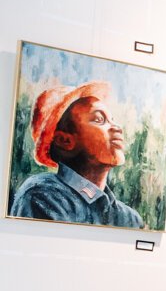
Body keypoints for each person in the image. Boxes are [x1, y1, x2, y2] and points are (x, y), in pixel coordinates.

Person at [9, 81, 144, 228]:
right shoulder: (42, 196)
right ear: (64, 140)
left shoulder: (130, 218)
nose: (117, 128)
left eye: (113, 120)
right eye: (99, 119)